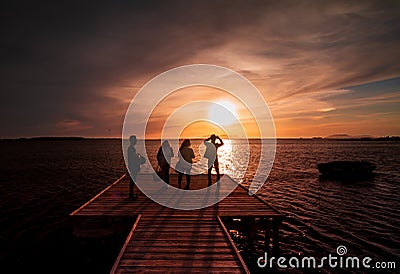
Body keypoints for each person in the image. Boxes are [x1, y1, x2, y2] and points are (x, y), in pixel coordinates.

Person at [127, 135, 145, 199]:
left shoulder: (131, 148)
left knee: (133, 180)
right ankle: (131, 195)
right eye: (135, 140)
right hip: (133, 167)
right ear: (132, 141)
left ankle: (131, 194)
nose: (136, 141)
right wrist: (141, 160)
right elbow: (133, 159)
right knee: (132, 180)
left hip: (132, 166)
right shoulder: (131, 149)